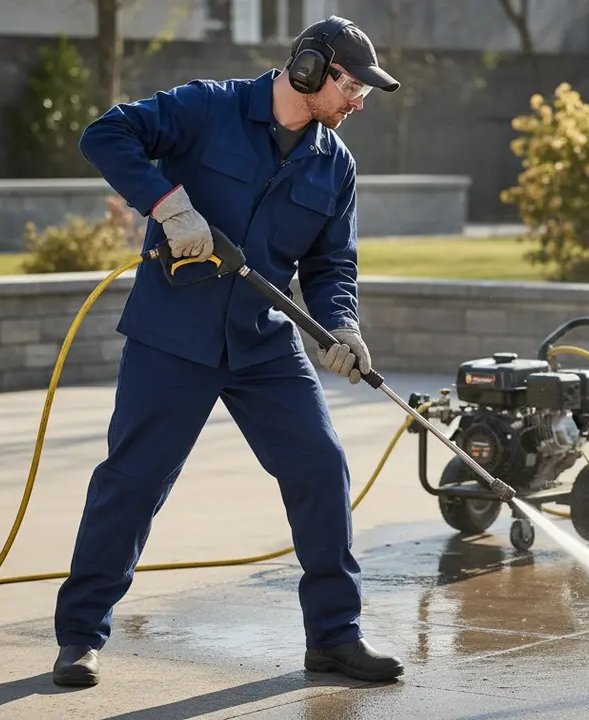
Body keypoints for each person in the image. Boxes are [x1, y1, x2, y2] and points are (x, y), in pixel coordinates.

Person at [49, 16, 404, 687]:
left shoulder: (335, 165)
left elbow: (332, 266)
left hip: (262, 342)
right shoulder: (207, 108)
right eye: (352, 86)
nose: (358, 101)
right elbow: (105, 134)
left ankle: (335, 636)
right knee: (133, 483)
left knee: (320, 468)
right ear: (309, 69)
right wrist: (167, 205)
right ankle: (80, 636)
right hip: (172, 336)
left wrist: (341, 327)